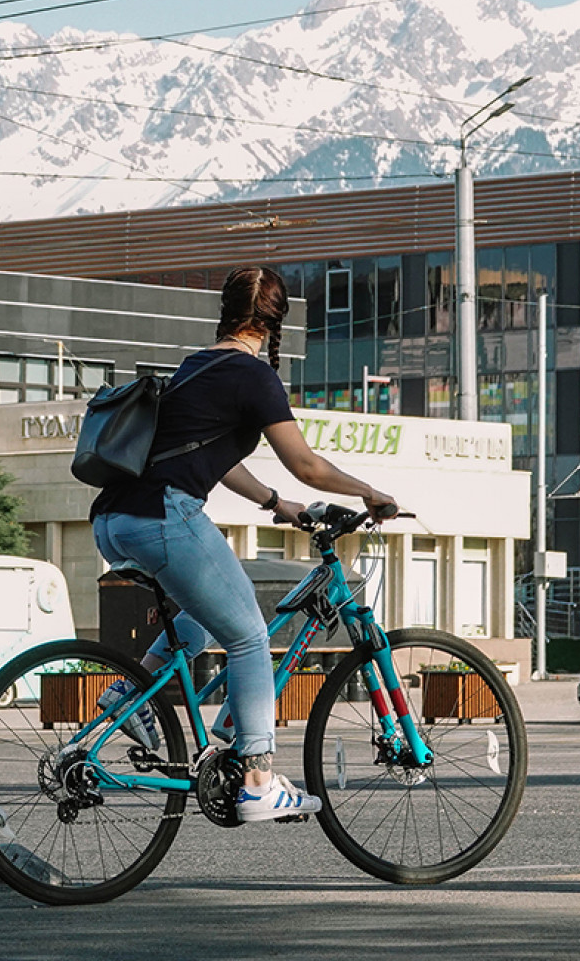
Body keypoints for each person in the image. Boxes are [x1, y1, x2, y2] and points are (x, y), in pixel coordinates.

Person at [90, 266, 395, 823]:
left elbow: (214, 455)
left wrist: (275, 504)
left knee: (206, 619)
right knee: (252, 638)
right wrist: (370, 492)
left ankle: (125, 696)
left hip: (114, 517)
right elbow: (305, 463)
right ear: (276, 322)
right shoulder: (254, 377)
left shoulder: (196, 365)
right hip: (164, 514)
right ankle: (257, 779)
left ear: (227, 311)